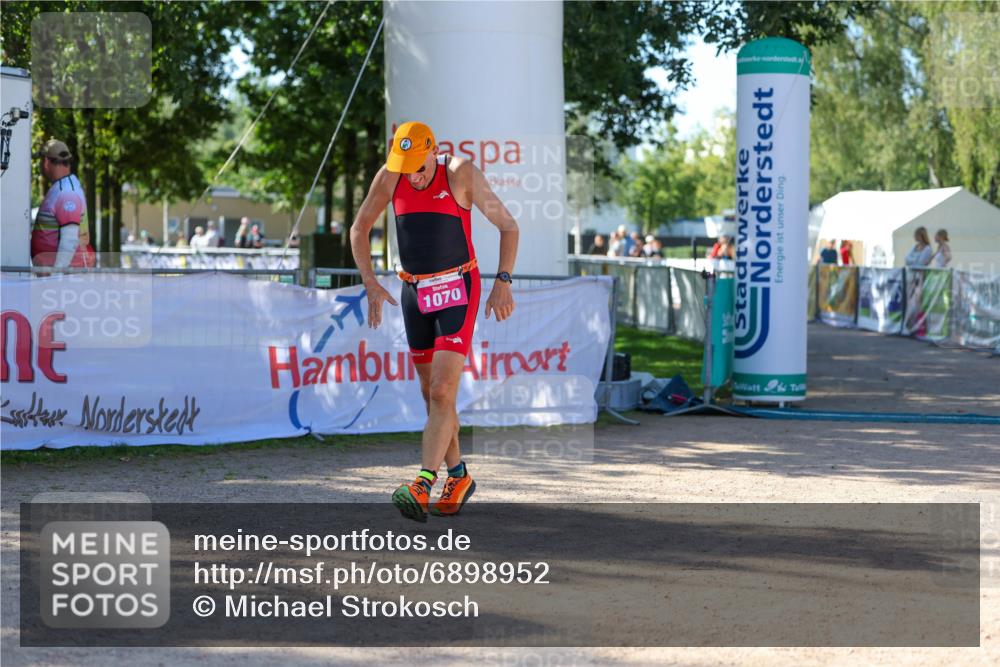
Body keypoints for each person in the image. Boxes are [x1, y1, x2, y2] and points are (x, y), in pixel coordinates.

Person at [350, 121, 518, 522]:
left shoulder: (460, 173)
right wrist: (371, 283)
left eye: (418, 165)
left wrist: (503, 281)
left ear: (433, 150)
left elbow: (508, 227)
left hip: (459, 287)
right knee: (430, 394)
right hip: (415, 291)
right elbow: (359, 229)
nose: (414, 173)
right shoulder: (391, 176)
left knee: (443, 390)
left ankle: (423, 482)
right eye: (405, 166)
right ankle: (458, 476)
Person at [30, 139, 95, 268]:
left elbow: (69, 240)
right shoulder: (62, 187)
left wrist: (57, 276)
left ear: (46, 162)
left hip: (66, 277)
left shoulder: (66, 192)